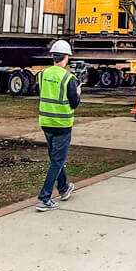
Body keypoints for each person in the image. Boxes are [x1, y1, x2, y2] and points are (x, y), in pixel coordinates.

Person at [35, 39, 81, 212]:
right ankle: (44, 198)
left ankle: (63, 188)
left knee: (56, 158)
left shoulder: (43, 74)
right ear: (66, 58)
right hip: (62, 124)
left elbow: (39, 92)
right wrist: (78, 93)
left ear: (53, 57)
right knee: (57, 161)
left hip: (46, 123)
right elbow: (74, 103)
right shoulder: (69, 78)